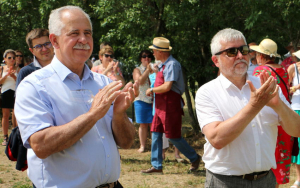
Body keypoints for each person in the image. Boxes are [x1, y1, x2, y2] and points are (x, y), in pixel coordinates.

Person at [15, 5, 138, 188]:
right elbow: (41, 145)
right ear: (54, 41)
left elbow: (127, 142)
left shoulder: (103, 83)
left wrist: (119, 115)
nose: (83, 39)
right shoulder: (34, 85)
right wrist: (93, 115)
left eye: (87, 33)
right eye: (74, 33)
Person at [195, 28, 300, 188]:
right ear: (216, 61)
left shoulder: (266, 84)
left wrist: (279, 106)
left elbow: (297, 129)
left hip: (266, 181)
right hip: (225, 182)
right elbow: (216, 138)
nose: (240, 56)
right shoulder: (207, 92)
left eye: (244, 50)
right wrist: (254, 105)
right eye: (231, 52)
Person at [141, 37, 201, 174]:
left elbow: (167, 87)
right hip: (160, 105)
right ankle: (156, 166)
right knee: (155, 133)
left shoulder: (173, 65)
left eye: (154, 51)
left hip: (170, 105)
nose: (153, 54)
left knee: (173, 136)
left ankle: (194, 157)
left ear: (161, 52)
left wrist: (152, 90)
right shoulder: (163, 65)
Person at [251, 39, 293, 187]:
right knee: (279, 162)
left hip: (268, 122)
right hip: (285, 119)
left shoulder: (260, 71)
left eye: (257, 54)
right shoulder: (283, 70)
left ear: (261, 56)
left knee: (267, 164)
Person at [132, 50, 154, 153]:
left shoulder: (155, 69)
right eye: (144, 56)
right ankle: (142, 146)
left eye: (149, 56)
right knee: (143, 124)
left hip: (154, 100)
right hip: (141, 99)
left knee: (153, 125)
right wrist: (147, 70)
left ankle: (155, 146)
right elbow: (140, 81)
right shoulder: (137, 69)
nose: (147, 58)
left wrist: (152, 70)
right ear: (141, 59)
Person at [288, 49, 300, 188]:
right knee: (299, 147)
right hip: (297, 108)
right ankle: (298, 179)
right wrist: (295, 87)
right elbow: (286, 87)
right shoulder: (292, 68)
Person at [0, 49, 18, 145]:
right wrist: (7, 75)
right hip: (5, 93)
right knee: (5, 116)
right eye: (9, 57)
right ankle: (5, 137)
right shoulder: (1, 68)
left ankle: (15, 135)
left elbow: (20, 82)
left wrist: (14, 76)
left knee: (15, 115)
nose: (12, 59)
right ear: (5, 59)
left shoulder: (18, 69)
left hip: (15, 93)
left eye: (13, 58)